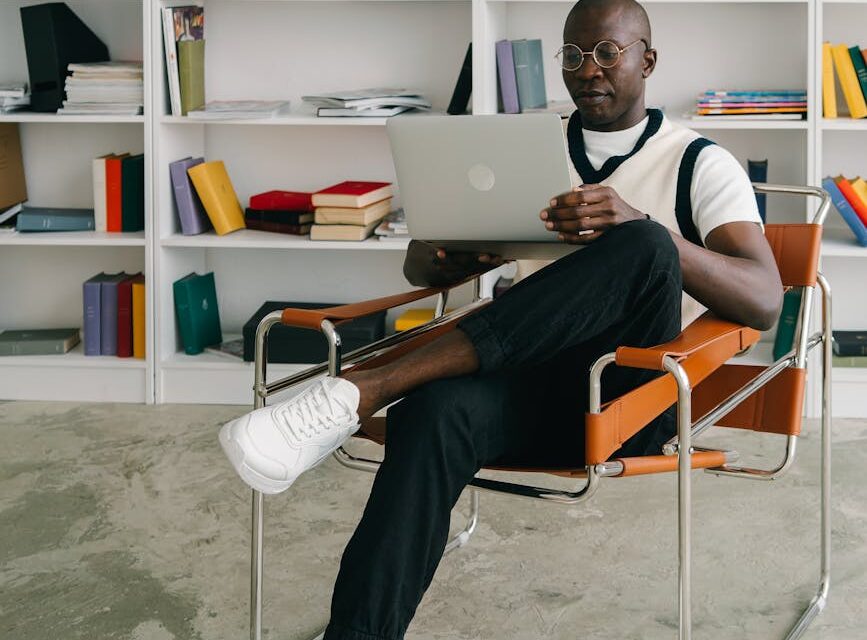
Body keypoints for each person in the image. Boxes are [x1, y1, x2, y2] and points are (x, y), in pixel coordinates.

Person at [219, 0, 783, 637]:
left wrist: (646, 228)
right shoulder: (526, 146)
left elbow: (764, 298)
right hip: (523, 377)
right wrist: (452, 252)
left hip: (628, 397)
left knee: (646, 245)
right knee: (433, 414)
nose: (588, 71)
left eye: (607, 53)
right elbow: (417, 267)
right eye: (572, 55)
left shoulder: (699, 162)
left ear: (647, 60)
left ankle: (359, 389)